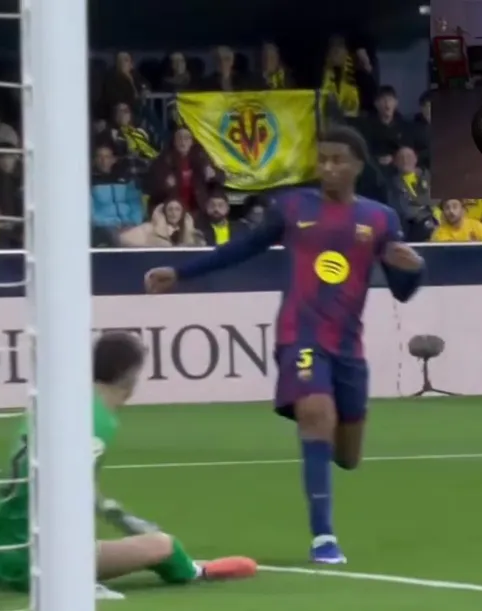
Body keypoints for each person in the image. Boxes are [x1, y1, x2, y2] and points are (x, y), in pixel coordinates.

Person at [142, 126, 425, 565]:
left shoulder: (380, 218)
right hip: (299, 334)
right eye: (322, 158)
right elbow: (242, 248)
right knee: (315, 413)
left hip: (348, 346)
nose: (327, 167)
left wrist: (416, 269)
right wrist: (181, 273)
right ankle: (323, 537)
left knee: (348, 456)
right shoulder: (292, 207)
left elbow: (403, 290)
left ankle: (331, 458)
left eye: (337, 159)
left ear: (357, 166)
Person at [0, 332, 258, 594]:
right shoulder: (97, 419)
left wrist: (112, 512)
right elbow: (65, 491)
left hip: (5, 543)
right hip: (40, 553)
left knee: (42, 553)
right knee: (163, 545)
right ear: (132, 377)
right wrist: (105, 535)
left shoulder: (62, 401)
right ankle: (195, 572)